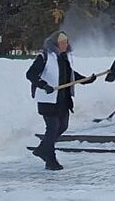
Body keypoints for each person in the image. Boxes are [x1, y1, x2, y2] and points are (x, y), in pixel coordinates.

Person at [26, 31, 96, 170]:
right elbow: (31, 74)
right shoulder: (44, 56)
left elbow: (70, 75)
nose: (66, 44)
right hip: (48, 100)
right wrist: (44, 85)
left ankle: (42, 149)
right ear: (55, 44)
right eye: (62, 42)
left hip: (63, 100)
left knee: (63, 126)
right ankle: (50, 160)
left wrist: (86, 80)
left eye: (66, 42)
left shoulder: (63, 58)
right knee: (52, 128)